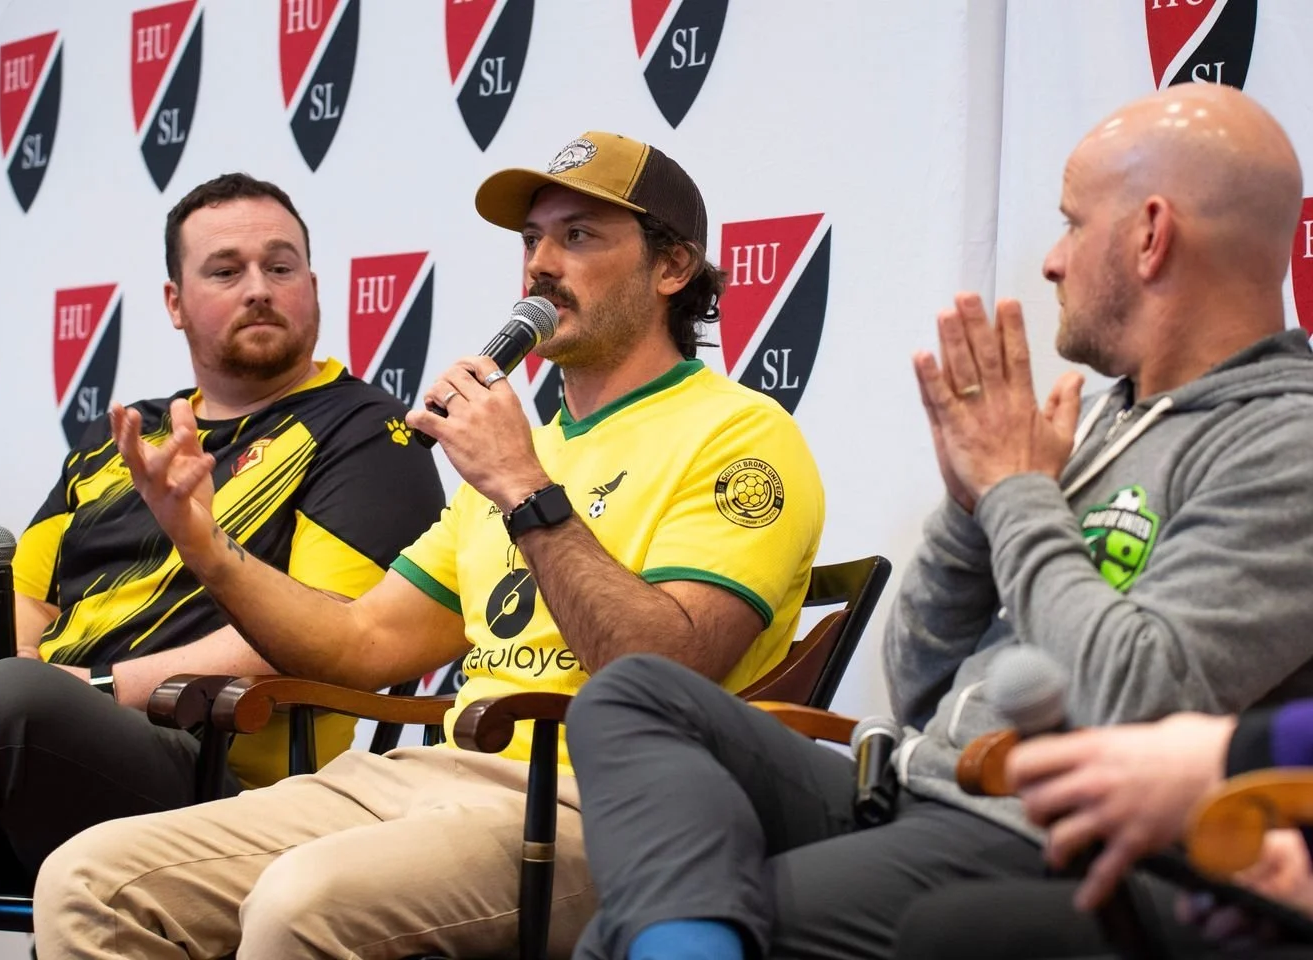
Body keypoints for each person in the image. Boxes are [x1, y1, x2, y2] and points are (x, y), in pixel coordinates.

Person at [561, 85, 1313, 960]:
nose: (1052, 262)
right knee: (633, 695)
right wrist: (969, 512)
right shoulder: (1101, 422)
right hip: (914, 786)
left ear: (1150, 236)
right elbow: (919, 682)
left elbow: (1140, 697)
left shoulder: (1284, 439)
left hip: (1048, 837)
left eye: (1072, 224)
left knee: (627, 936)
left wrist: (1015, 497)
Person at [31, 131, 825, 960]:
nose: (539, 266)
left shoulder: (738, 438)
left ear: (672, 269)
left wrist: (522, 485)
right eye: (531, 240)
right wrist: (208, 549)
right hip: (435, 778)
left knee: (302, 903)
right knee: (90, 881)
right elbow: (359, 643)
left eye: (579, 237)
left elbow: (667, 668)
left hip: (609, 808)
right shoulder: (527, 446)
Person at [0, 173, 446, 909]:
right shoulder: (128, 433)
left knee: (21, 701)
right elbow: (24, 592)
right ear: (174, 303)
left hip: (217, 778)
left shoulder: (368, 433)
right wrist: (1, 655)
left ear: (313, 283)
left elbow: (322, 633)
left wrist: (92, 689)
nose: (259, 288)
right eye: (225, 270)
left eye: (280, 266)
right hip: (35, 766)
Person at [891, 704, 1313, 959]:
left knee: (953, 934)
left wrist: (1238, 754)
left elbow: (1122, 697)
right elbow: (919, 681)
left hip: (1004, 813)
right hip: (924, 772)